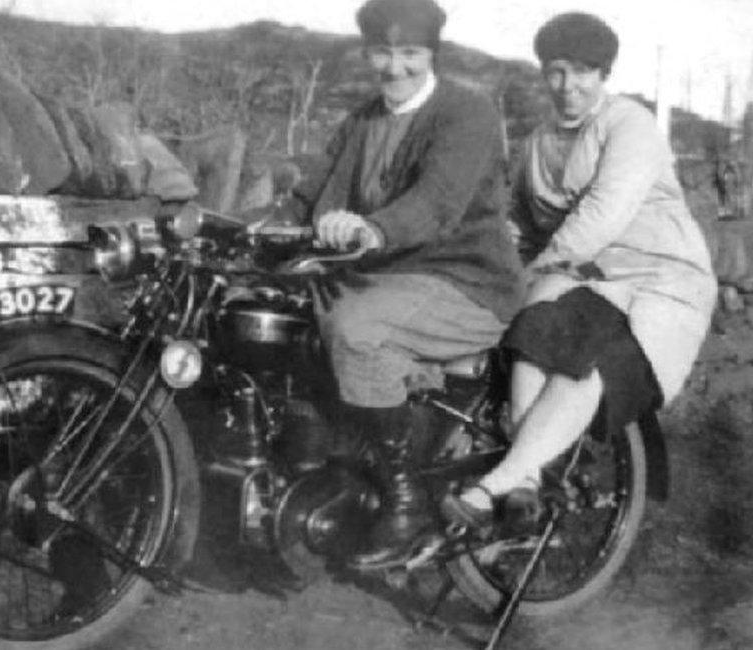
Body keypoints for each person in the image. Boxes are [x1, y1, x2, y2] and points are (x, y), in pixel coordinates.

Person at [442, 12, 717, 529]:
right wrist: (489, 263)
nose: (569, 86)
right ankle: (527, 484)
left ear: (604, 73)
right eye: (557, 71)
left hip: (661, 282)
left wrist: (537, 268)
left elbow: (602, 215)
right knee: (531, 334)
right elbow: (519, 224)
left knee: (592, 364)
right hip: (590, 279)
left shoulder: (628, 124)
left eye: (584, 71)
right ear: (544, 74)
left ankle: (496, 484)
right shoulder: (537, 144)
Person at [298, 0, 525, 566]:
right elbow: (318, 194)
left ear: (432, 54)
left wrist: (373, 230)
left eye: (410, 53)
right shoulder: (361, 121)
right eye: (382, 51)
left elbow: (438, 204)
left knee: (355, 330)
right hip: (387, 278)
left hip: (466, 281)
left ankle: (407, 502)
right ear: (367, 51)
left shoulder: (466, 115)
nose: (394, 67)